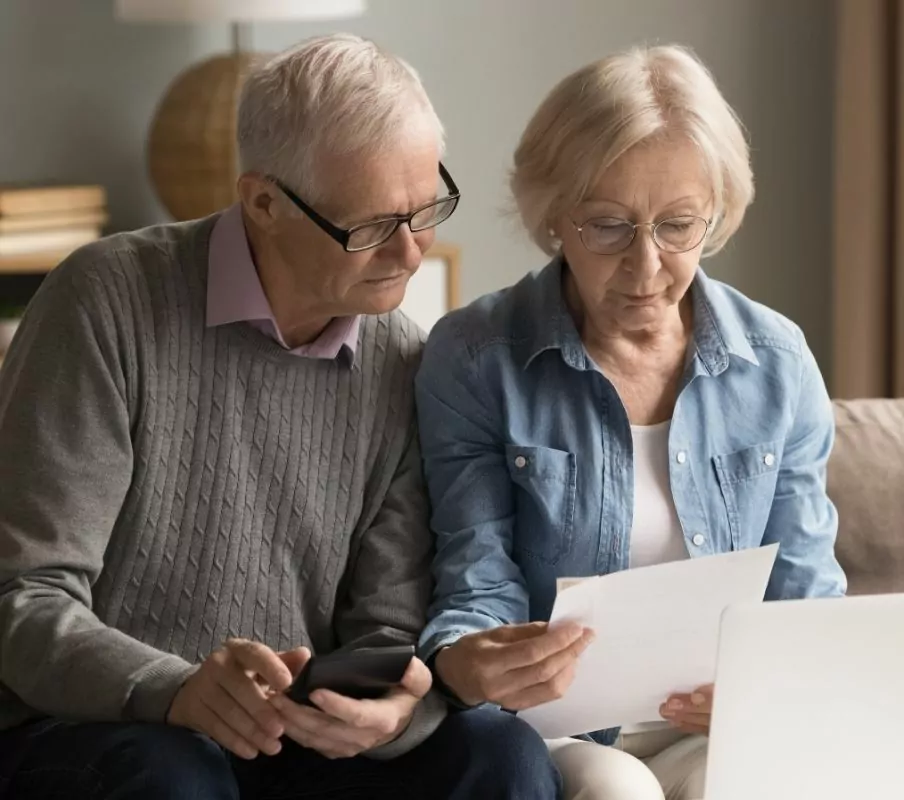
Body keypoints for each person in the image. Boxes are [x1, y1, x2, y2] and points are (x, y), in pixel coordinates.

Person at [0, 34, 560, 800]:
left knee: (502, 757)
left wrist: (396, 708)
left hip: (296, 739)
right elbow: (25, 597)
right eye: (369, 227)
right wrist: (177, 688)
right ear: (263, 202)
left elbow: (386, 628)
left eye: (425, 209)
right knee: (177, 776)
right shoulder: (106, 301)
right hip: (103, 725)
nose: (409, 252)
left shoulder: (404, 360)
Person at [415, 44, 848, 800]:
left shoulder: (776, 365)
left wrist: (770, 685)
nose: (648, 269)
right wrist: (470, 657)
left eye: (679, 226)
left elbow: (807, 595)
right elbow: (474, 580)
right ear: (555, 218)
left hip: (713, 724)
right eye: (609, 228)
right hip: (561, 728)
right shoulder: (478, 356)